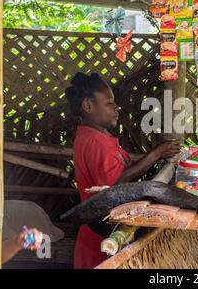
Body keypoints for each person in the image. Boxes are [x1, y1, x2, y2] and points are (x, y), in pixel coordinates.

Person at [65, 72, 181, 269]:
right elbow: (116, 183)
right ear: (88, 106)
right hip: (101, 239)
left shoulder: (98, 137)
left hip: (101, 232)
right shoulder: (94, 141)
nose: (116, 107)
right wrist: (156, 153)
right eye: (109, 103)